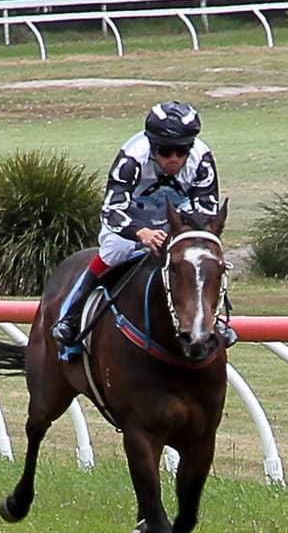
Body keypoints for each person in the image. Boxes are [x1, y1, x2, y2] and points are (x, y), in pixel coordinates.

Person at [51, 100, 235, 359]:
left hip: (178, 224)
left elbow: (206, 208)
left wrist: (179, 234)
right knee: (113, 252)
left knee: (202, 259)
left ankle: (218, 320)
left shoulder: (202, 158)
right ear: (152, 144)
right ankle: (71, 316)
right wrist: (141, 233)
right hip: (131, 222)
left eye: (182, 151)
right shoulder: (132, 158)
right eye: (165, 151)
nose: (174, 159)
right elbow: (112, 209)